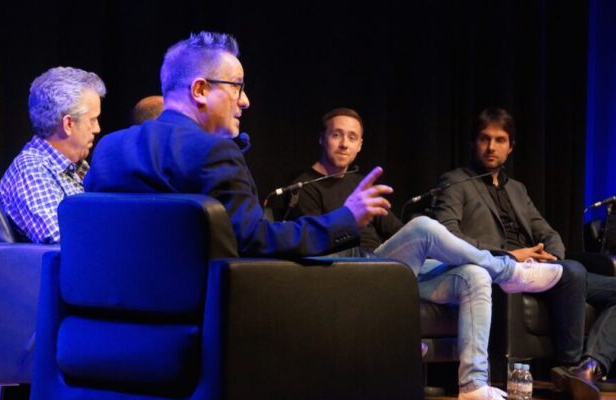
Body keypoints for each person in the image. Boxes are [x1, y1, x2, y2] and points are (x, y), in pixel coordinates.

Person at [286, 107, 563, 400]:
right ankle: (507, 270)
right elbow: (315, 246)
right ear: (322, 138)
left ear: (360, 144)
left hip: (389, 271)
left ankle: (473, 385)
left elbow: (397, 230)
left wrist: (426, 248)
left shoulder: (360, 185)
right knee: (423, 228)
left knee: (474, 275)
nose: (344, 144)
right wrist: (353, 220)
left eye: (352, 137)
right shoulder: (304, 187)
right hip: (351, 271)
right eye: (337, 135)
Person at [84, 31, 392, 257]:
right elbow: (256, 242)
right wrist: (346, 219)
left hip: (107, 312)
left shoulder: (109, 149)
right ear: (200, 90)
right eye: (237, 87)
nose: (245, 101)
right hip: (204, 317)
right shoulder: (214, 152)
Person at [432, 107, 616, 400]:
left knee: (578, 271)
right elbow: (447, 235)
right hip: (500, 267)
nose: (491, 147)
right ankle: (568, 365)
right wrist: (509, 254)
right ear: (473, 143)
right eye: (484, 138)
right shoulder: (456, 182)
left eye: (500, 140)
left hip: (535, 268)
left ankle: (589, 366)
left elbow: (547, 232)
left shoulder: (517, 189)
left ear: (511, 147)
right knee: (574, 272)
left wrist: (552, 256)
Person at [0, 66, 106, 243]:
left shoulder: (75, 168)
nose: (97, 129)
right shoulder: (32, 170)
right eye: (92, 120)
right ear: (68, 124)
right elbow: (61, 240)